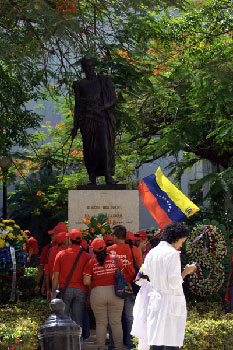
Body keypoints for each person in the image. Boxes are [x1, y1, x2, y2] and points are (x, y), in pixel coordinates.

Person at [131, 222, 197, 350]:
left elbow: (140, 278)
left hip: (155, 303)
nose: (181, 245)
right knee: (171, 341)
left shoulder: (152, 253)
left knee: (156, 341)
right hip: (170, 303)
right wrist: (186, 272)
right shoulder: (172, 254)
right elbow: (173, 282)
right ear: (176, 239)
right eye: (182, 241)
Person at [72, 57, 116, 185]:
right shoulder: (80, 85)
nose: (89, 69)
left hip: (101, 118)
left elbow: (112, 100)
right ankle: (92, 176)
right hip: (87, 120)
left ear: (94, 67)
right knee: (89, 149)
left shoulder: (103, 81)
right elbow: (78, 106)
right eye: (87, 67)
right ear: (83, 69)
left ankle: (108, 174)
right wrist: (75, 126)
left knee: (104, 146)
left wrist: (102, 108)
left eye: (91, 67)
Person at [83, 238, 127, 350]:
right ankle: (119, 346)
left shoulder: (91, 262)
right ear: (106, 247)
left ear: (94, 251)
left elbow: (86, 282)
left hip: (97, 294)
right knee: (116, 322)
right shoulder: (116, 259)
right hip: (115, 293)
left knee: (101, 323)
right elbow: (121, 276)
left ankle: (101, 347)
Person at [107, 225, 142, 349]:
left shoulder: (109, 250)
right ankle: (131, 342)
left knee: (113, 318)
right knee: (129, 316)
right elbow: (141, 267)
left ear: (115, 237)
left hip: (114, 287)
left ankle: (113, 343)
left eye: (112, 235)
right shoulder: (134, 250)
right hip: (130, 287)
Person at [52, 229, 90, 328]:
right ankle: (78, 341)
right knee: (78, 320)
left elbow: (55, 276)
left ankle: (65, 342)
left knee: (63, 320)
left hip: (65, 290)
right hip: (81, 291)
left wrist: (53, 294)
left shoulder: (61, 254)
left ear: (69, 239)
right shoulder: (86, 256)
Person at [34, 222, 67, 296]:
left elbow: (44, 269)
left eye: (53, 234)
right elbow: (44, 269)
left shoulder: (49, 250)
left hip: (54, 286)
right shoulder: (49, 249)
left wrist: (40, 285)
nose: (51, 236)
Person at [44, 231, 69, 301]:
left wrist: (48, 289)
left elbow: (46, 272)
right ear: (64, 241)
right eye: (68, 239)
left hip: (54, 286)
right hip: (66, 286)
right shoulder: (67, 253)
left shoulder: (51, 252)